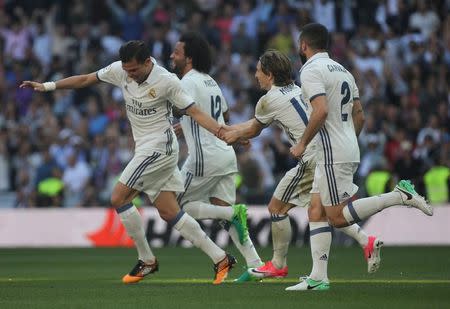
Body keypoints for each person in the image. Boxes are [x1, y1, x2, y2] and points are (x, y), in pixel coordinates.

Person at [20, 40, 236, 285]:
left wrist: (223, 132)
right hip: (144, 147)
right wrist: (47, 86)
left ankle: (147, 259)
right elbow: (85, 80)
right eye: (126, 70)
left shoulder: (167, 81)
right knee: (169, 211)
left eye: (134, 70)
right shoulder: (120, 70)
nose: (129, 75)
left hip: (159, 148)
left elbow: (195, 112)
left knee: (118, 197)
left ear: (147, 62)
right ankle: (220, 258)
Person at [285, 23, 433, 291]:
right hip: (346, 147)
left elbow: (319, 110)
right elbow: (360, 115)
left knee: (337, 218)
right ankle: (319, 277)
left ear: (303, 45)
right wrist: (348, 140)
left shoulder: (310, 71)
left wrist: (302, 143)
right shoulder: (343, 71)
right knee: (315, 210)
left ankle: (399, 195)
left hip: (331, 152)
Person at [220, 49, 381, 283]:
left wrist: (226, 133)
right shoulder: (297, 90)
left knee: (277, 207)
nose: (255, 75)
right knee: (326, 211)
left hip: (311, 156)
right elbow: (254, 126)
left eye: (258, 71)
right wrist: (232, 131)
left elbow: (254, 129)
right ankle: (365, 240)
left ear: (270, 74)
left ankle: (278, 265)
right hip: (327, 151)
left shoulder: (268, 100)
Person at [170, 31, 263, 282]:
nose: (172, 56)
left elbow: (179, 108)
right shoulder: (210, 81)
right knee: (227, 215)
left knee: (175, 207)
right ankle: (256, 265)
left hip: (204, 159)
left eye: (176, 53)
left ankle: (230, 217)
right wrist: (186, 125)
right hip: (224, 154)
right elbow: (224, 116)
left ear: (188, 59)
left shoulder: (186, 82)